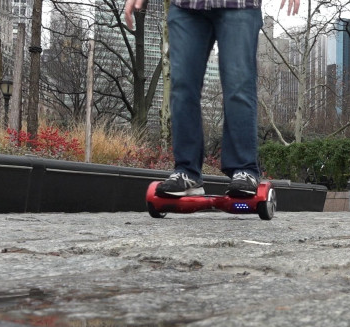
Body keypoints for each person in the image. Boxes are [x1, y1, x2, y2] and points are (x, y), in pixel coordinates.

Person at [124, 0, 300, 197]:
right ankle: (187, 172)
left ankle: (244, 169)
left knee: (238, 86)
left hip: (239, 6)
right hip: (186, 7)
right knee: (182, 87)